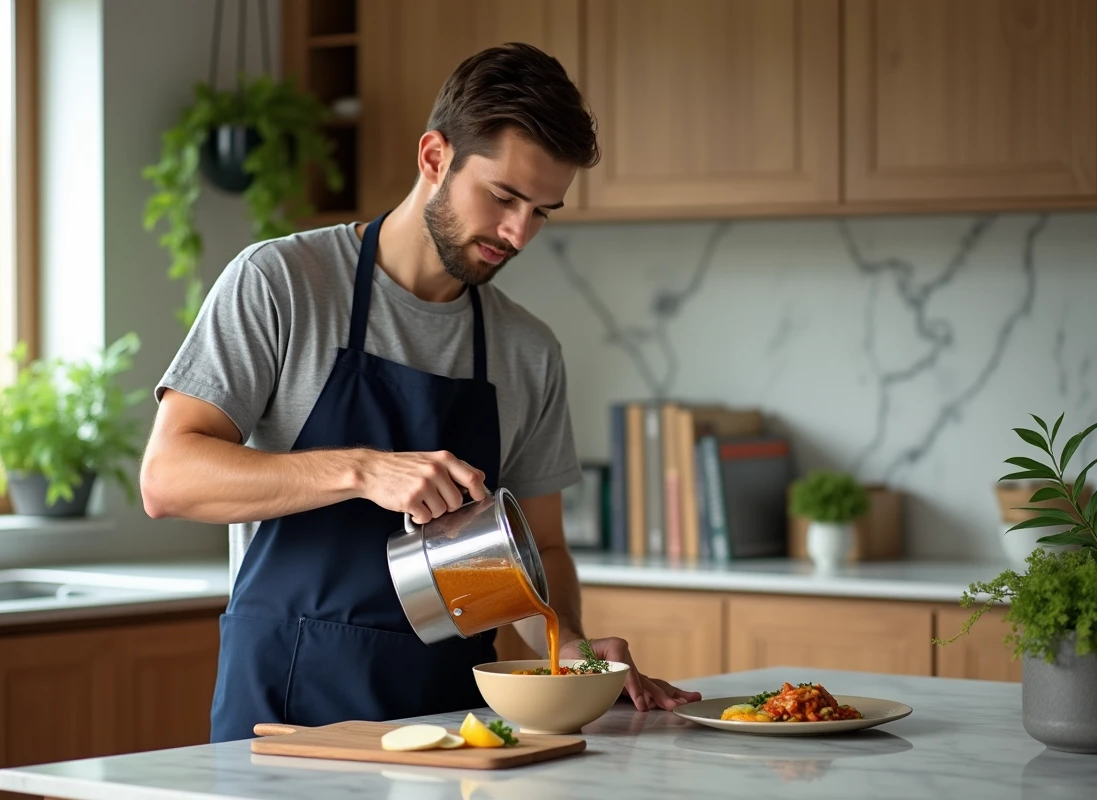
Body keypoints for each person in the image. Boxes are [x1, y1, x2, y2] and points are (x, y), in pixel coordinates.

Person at [140, 42, 701, 743]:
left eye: (542, 211)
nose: (517, 233)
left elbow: (541, 552)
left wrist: (576, 653)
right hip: (283, 718)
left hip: (450, 730)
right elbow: (168, 478)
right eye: (502, 197)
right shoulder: (283, 282)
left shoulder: (526, 351)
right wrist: (365, 469)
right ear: (435, 157)